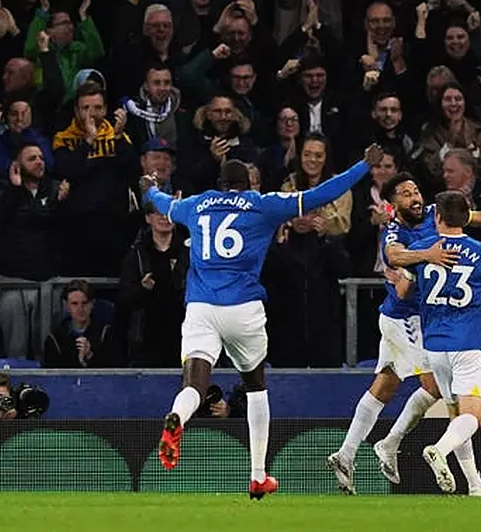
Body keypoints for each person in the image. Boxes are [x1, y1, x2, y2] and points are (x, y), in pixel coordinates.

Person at [140, 143, 385, 500]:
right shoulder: (263, 203)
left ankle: (178, 416)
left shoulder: (196, 204)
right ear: (247, 186)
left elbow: (162, 204)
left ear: (221, 185)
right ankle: (258, 475)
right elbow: (321, 193)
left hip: (201, 307)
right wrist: (363, 165)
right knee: (255, 386)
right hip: (244, 308)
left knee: (194, 382)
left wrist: (149, 187)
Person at [327, 173, 481, 495]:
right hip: (405, 319)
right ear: (391, 204)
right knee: (440, 388)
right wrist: (428, 256)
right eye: (405, 194)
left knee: (385, 386)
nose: (415, 197)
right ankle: (393, 444)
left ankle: (346, 453)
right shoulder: (394, 230)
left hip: (419, 319)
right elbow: (393, 257)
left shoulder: (432, 214)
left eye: (416, 190)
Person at [394, 190, 481, 495]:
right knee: (472, 417)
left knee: (457, 415)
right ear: (467, 216)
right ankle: (439, 450)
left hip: (435, 347)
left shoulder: (422, 248)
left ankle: (474, 483)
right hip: (468, 343)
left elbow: (405, 288)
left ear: (437, 217)